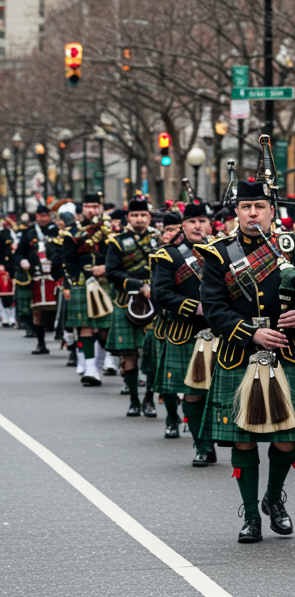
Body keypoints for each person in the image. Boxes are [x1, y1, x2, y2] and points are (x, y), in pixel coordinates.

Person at [198, 179, 295, 544]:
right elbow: (215, 309)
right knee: (244, 441)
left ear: (272, 211)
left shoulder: (292, 248)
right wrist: (249, 333)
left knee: (286, 440)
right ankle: (251, 514)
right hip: (241, 353)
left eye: (259, 207)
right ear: (236, 212)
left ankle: (274, 497)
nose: (252, 213)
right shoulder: (219, 254)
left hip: (287, 353)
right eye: (245, 208)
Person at [151, 201, 217, 464]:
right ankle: (202, 445)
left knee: (219, 392)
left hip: (222, 331)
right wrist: (196, 308)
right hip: (186, 331)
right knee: (193, 392)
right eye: (192, 221)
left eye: (202, 221)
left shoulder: (224, 251)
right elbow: (161, 293)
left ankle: (212, 435)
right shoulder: (170, 256)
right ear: (183, 226)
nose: (198, 226)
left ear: (211, 224)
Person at [105, 198, 160, 420]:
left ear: (149, 217)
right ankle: (133, 401)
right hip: (126, 300)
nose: (139, 219)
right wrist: (138, 285)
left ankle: (149, 399)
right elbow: (112, 272)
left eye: (143, 215)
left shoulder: (160, 241)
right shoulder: (117, 242)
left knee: (152, 354)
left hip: (155, 302)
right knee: (129, 354)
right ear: (128, 218)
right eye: (135, 215)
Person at [65, 193, 112, 386]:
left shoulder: (109, 231)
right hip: (83, 282)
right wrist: (70, 282)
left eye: (95, 206)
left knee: (105, 327)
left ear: (100, 209)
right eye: (88, 206)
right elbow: (67, 260)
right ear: (82, 209)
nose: (92, 210)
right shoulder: (73, 232)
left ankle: (103, 362)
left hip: (106, 281)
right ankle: (90, 368)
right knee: (84, 326)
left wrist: (108, 270)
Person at [15, 204, 59, 354]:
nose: (43, 218)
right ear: (36, 217)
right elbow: (19, 253)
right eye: (40, 216)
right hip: (36, 276)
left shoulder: (57, 231)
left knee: (60, 309)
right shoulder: (28, 233)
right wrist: (22, 261)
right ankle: (41, 342)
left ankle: (70, 345)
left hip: (56, 275)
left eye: (46, 215)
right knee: (37, 311)